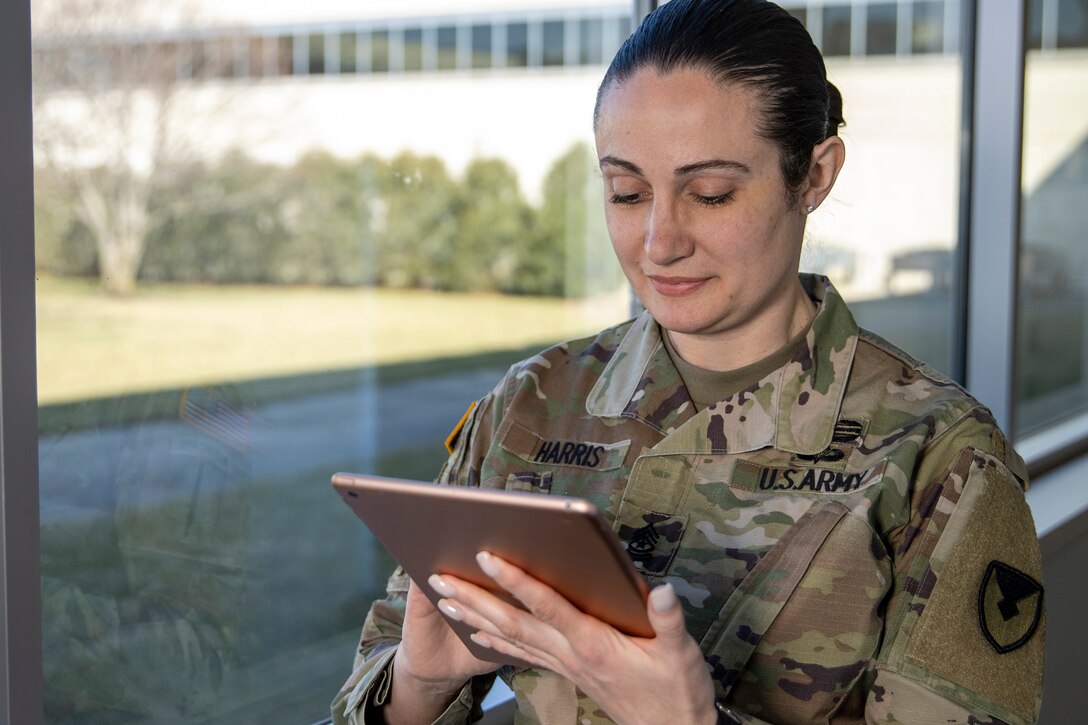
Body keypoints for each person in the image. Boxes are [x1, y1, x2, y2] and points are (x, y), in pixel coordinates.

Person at [332, 1, 1046, 723]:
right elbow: (376, 680)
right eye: (627, 192)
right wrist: (419, 685)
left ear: (815, 175)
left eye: (711, 194)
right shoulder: (530, 403)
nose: (658, 240)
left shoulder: (941, 461)